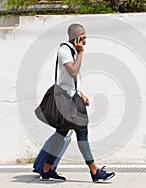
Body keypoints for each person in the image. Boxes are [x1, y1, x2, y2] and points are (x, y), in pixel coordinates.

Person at [41, 24, 115, 182]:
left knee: (61, 133)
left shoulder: (72, 51)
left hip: (73, 97)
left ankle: (46, 170)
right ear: (76, 38)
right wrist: (81, 53)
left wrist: (81, 93)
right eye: (83, 37)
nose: (86, 40)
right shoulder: (64, 51)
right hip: (66, 100)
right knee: (82, 132)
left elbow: (71, 79)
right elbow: (72, 71)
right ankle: (94, 171)